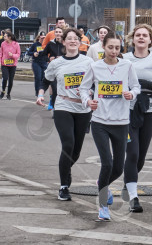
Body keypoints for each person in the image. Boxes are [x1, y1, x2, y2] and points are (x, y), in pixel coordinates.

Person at [78, 34, 140, 221]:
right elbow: (83, 88)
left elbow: (136, 86)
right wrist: (88, 101)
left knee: (118, 167)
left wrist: (131, 94)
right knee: (107, 163)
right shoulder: (94, 67)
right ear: (103, 47)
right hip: (100, 122)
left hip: (121, 122)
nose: (114, 51)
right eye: (110, 47)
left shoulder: (127, 66)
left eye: (117, 48)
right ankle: (103, 205)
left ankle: (101, 183)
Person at [37, 28, 93, 201]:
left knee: (76, 151)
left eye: (75, 39)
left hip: (83, 109)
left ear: (80, 41)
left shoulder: (88, 62)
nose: (72, 41)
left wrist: (93, 93)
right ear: (64, 43)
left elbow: (98, 81)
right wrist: (40, 94)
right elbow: (45, 80)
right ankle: (63, 186)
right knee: (68, 144)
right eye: (69, 39)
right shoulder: (56, 63)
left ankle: (65, 173)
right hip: (63, 106)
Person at [122, 24, 152, 213]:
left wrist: (148, 84)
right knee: (132, 153)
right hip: (128, 109)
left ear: (150, 40)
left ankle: (128, 185)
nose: (141, 38)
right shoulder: (124, 59)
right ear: (132, 39)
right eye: (138, 35)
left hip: (150, 108)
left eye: (145, 35)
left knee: (141, 156)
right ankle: (134, 197)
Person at [43, 27, 66, 109]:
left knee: (63, 89)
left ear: (62, 33)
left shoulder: (65, 43)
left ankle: (61, 106)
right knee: (55, 89)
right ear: (54, 33)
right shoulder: (50, 44)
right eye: (56, 32)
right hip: (54, 69)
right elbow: (44, 55)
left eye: (60, 32)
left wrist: (63, 57)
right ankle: (53, 106)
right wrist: (49, 59)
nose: (58, 33)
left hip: (64, 68)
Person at [27, 31, 48, 98]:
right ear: (39, 37)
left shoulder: (47, 44)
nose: (43, 39)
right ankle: (37, 92)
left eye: (44, 38)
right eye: (41, 38)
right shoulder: (35, 44)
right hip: (36, 62)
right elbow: (29, 52)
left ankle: (41, 91)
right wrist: (34, 53)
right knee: (38, 77)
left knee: (43, 78)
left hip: (44, 62)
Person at [1, 31, 21, 99]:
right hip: (4, 64)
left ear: (9, 37)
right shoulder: (3, 44)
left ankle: (8, 94)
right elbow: (1, 53)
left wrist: (12, 55)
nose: (4, 37)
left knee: (11, 80)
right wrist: (1, 61)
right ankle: (3, 91)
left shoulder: (16, 44)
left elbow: (18, 54)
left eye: (5, 36)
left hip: (13, 65)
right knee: (5, 78)